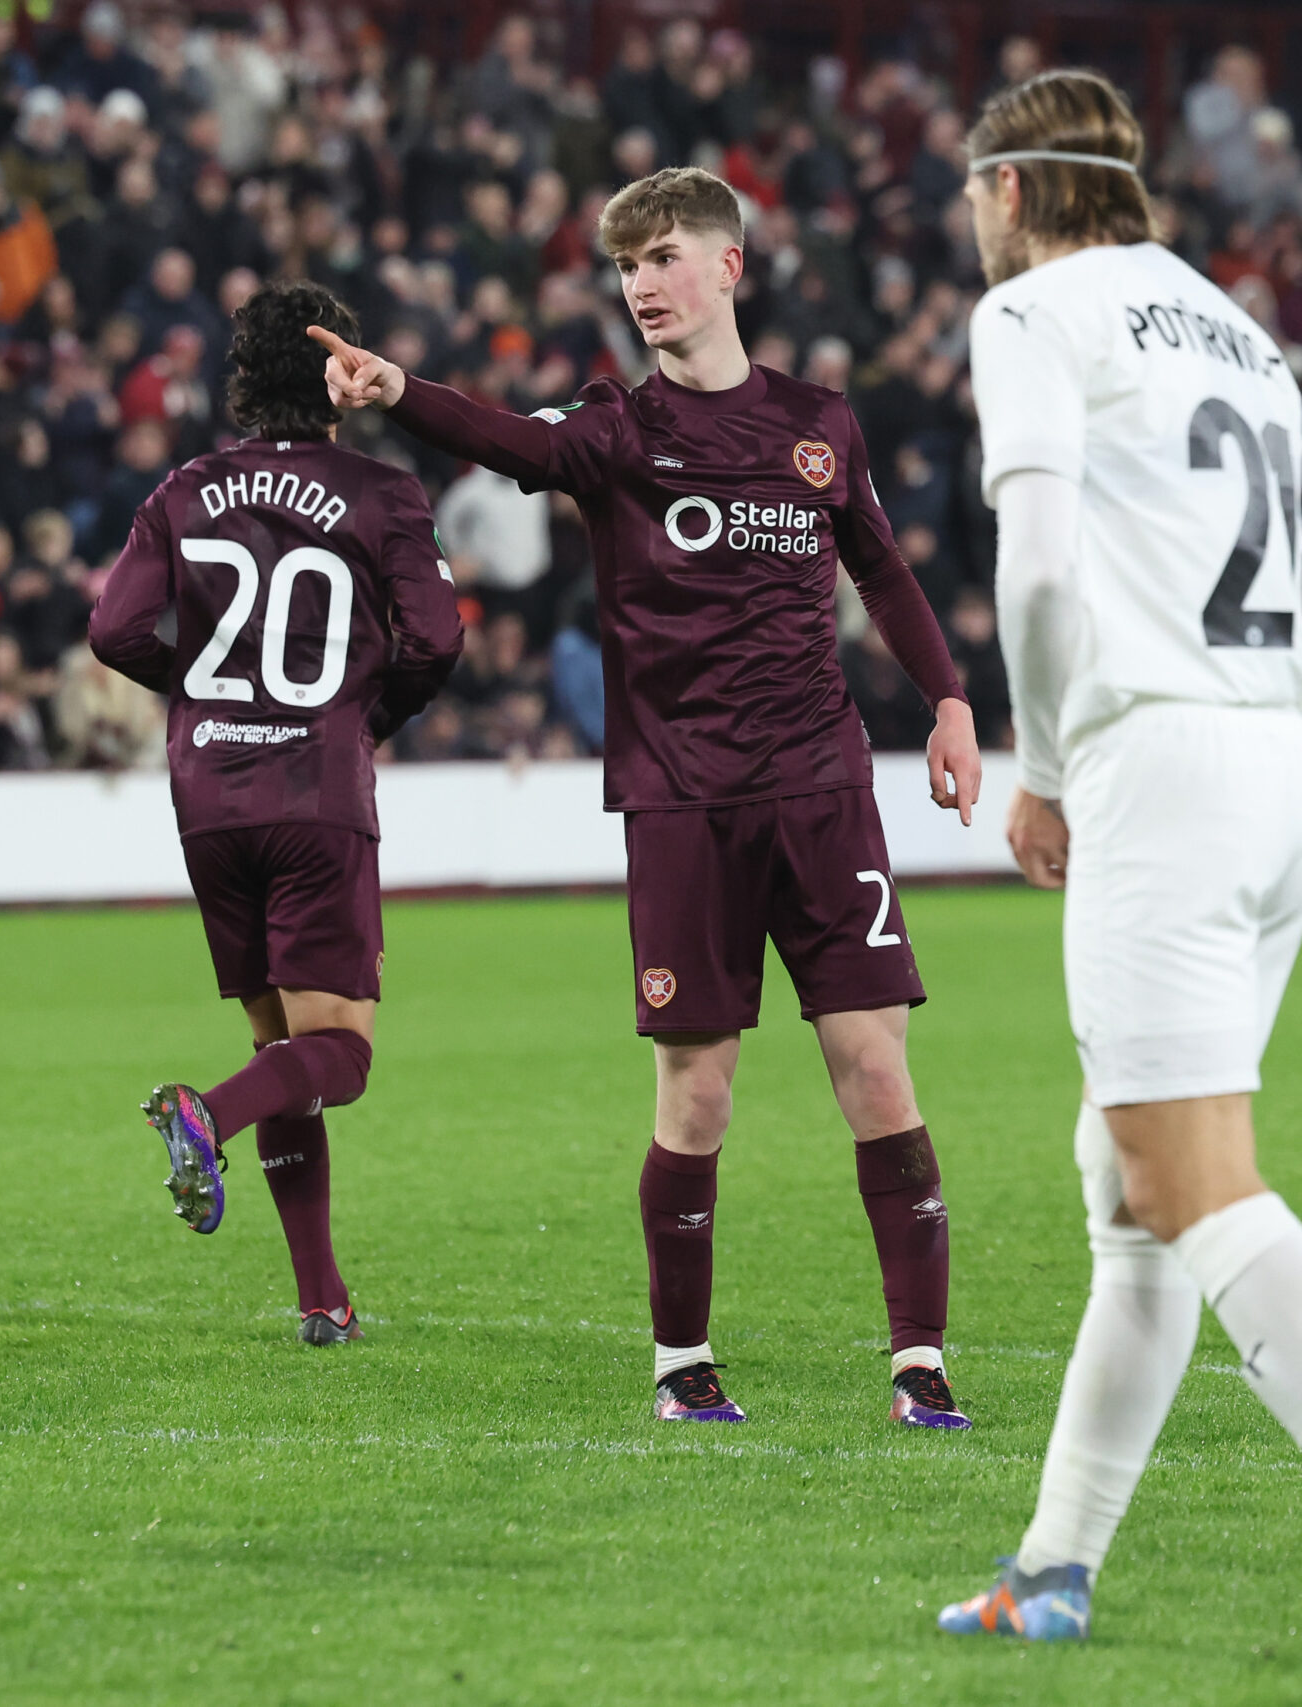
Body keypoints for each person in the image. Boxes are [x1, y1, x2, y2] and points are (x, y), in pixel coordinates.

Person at [938, 70, 1302, 1662]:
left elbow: (1040, 565)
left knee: (1192, 1179)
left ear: (1011, 191)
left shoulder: (1037, 312)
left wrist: (1043, 766)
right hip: (1276, 764)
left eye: (974, 193)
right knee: (1133, 1190)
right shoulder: (1237, 328)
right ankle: (1053, 1565)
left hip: (1159, 762)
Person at [314, 165, 985, 1429]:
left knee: (877, 1073)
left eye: (664, 257)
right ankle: (682, 1364)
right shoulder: (618, 429)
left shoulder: (821, 424)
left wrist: (947, 701)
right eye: (627, 266)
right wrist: (398, 389)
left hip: (823, 786)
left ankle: (920, 1361)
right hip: (683, 802)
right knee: (699, 1089)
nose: (642, 284)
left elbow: (883, 575)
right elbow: (508, 440)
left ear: (729, 266)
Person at [89, 280, 463, 1346]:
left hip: (208, 792)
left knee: (279, 1049)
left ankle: (320, 1300)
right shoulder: (382, 493)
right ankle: (204, 1114)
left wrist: (204, 688)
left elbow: (114, 629)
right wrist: (361, 714)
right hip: (314, 789)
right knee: (337, 1053)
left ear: (241, 381)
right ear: (336, 369)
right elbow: (436, 640)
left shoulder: (181, 490)